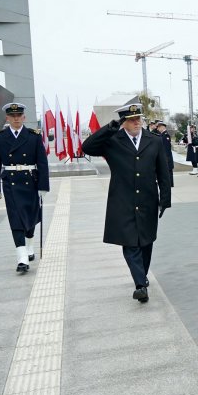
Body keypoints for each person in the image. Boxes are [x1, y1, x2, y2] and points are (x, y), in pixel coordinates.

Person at [82, 104, 172, 303]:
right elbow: (86, 147)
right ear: (124, 122)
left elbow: (163, 172)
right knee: (130, 243)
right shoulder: (113, 140)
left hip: (148, 199)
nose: (137, 122)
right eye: (132, 119)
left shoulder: (154, 141)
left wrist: (165, 199)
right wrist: (111, 127)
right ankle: (140, 285)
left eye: (139, 118)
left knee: (146, 241)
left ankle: (142, 275)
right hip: (122, 200)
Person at [0, 102, 49, 272]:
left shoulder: (34, 136)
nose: (16, 119)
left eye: (19, 115)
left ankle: (29, 245)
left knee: (30, 219)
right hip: (11, 183)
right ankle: (22, 257)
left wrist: (43, 186)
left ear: (24, 117)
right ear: (7, 118)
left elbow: (42, 163)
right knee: (16, 219)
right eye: (12, 116)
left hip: (31, 182)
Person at [156, 121, 175, 187]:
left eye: (158, 127)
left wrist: (165, 157)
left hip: (167, 156)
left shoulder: (166, 135)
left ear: (162, 127)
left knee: (169, 170)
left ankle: (170, 184)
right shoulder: (162, 135)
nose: (158, 129)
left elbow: (166, 148)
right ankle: (168, 183)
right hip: (165, 156)